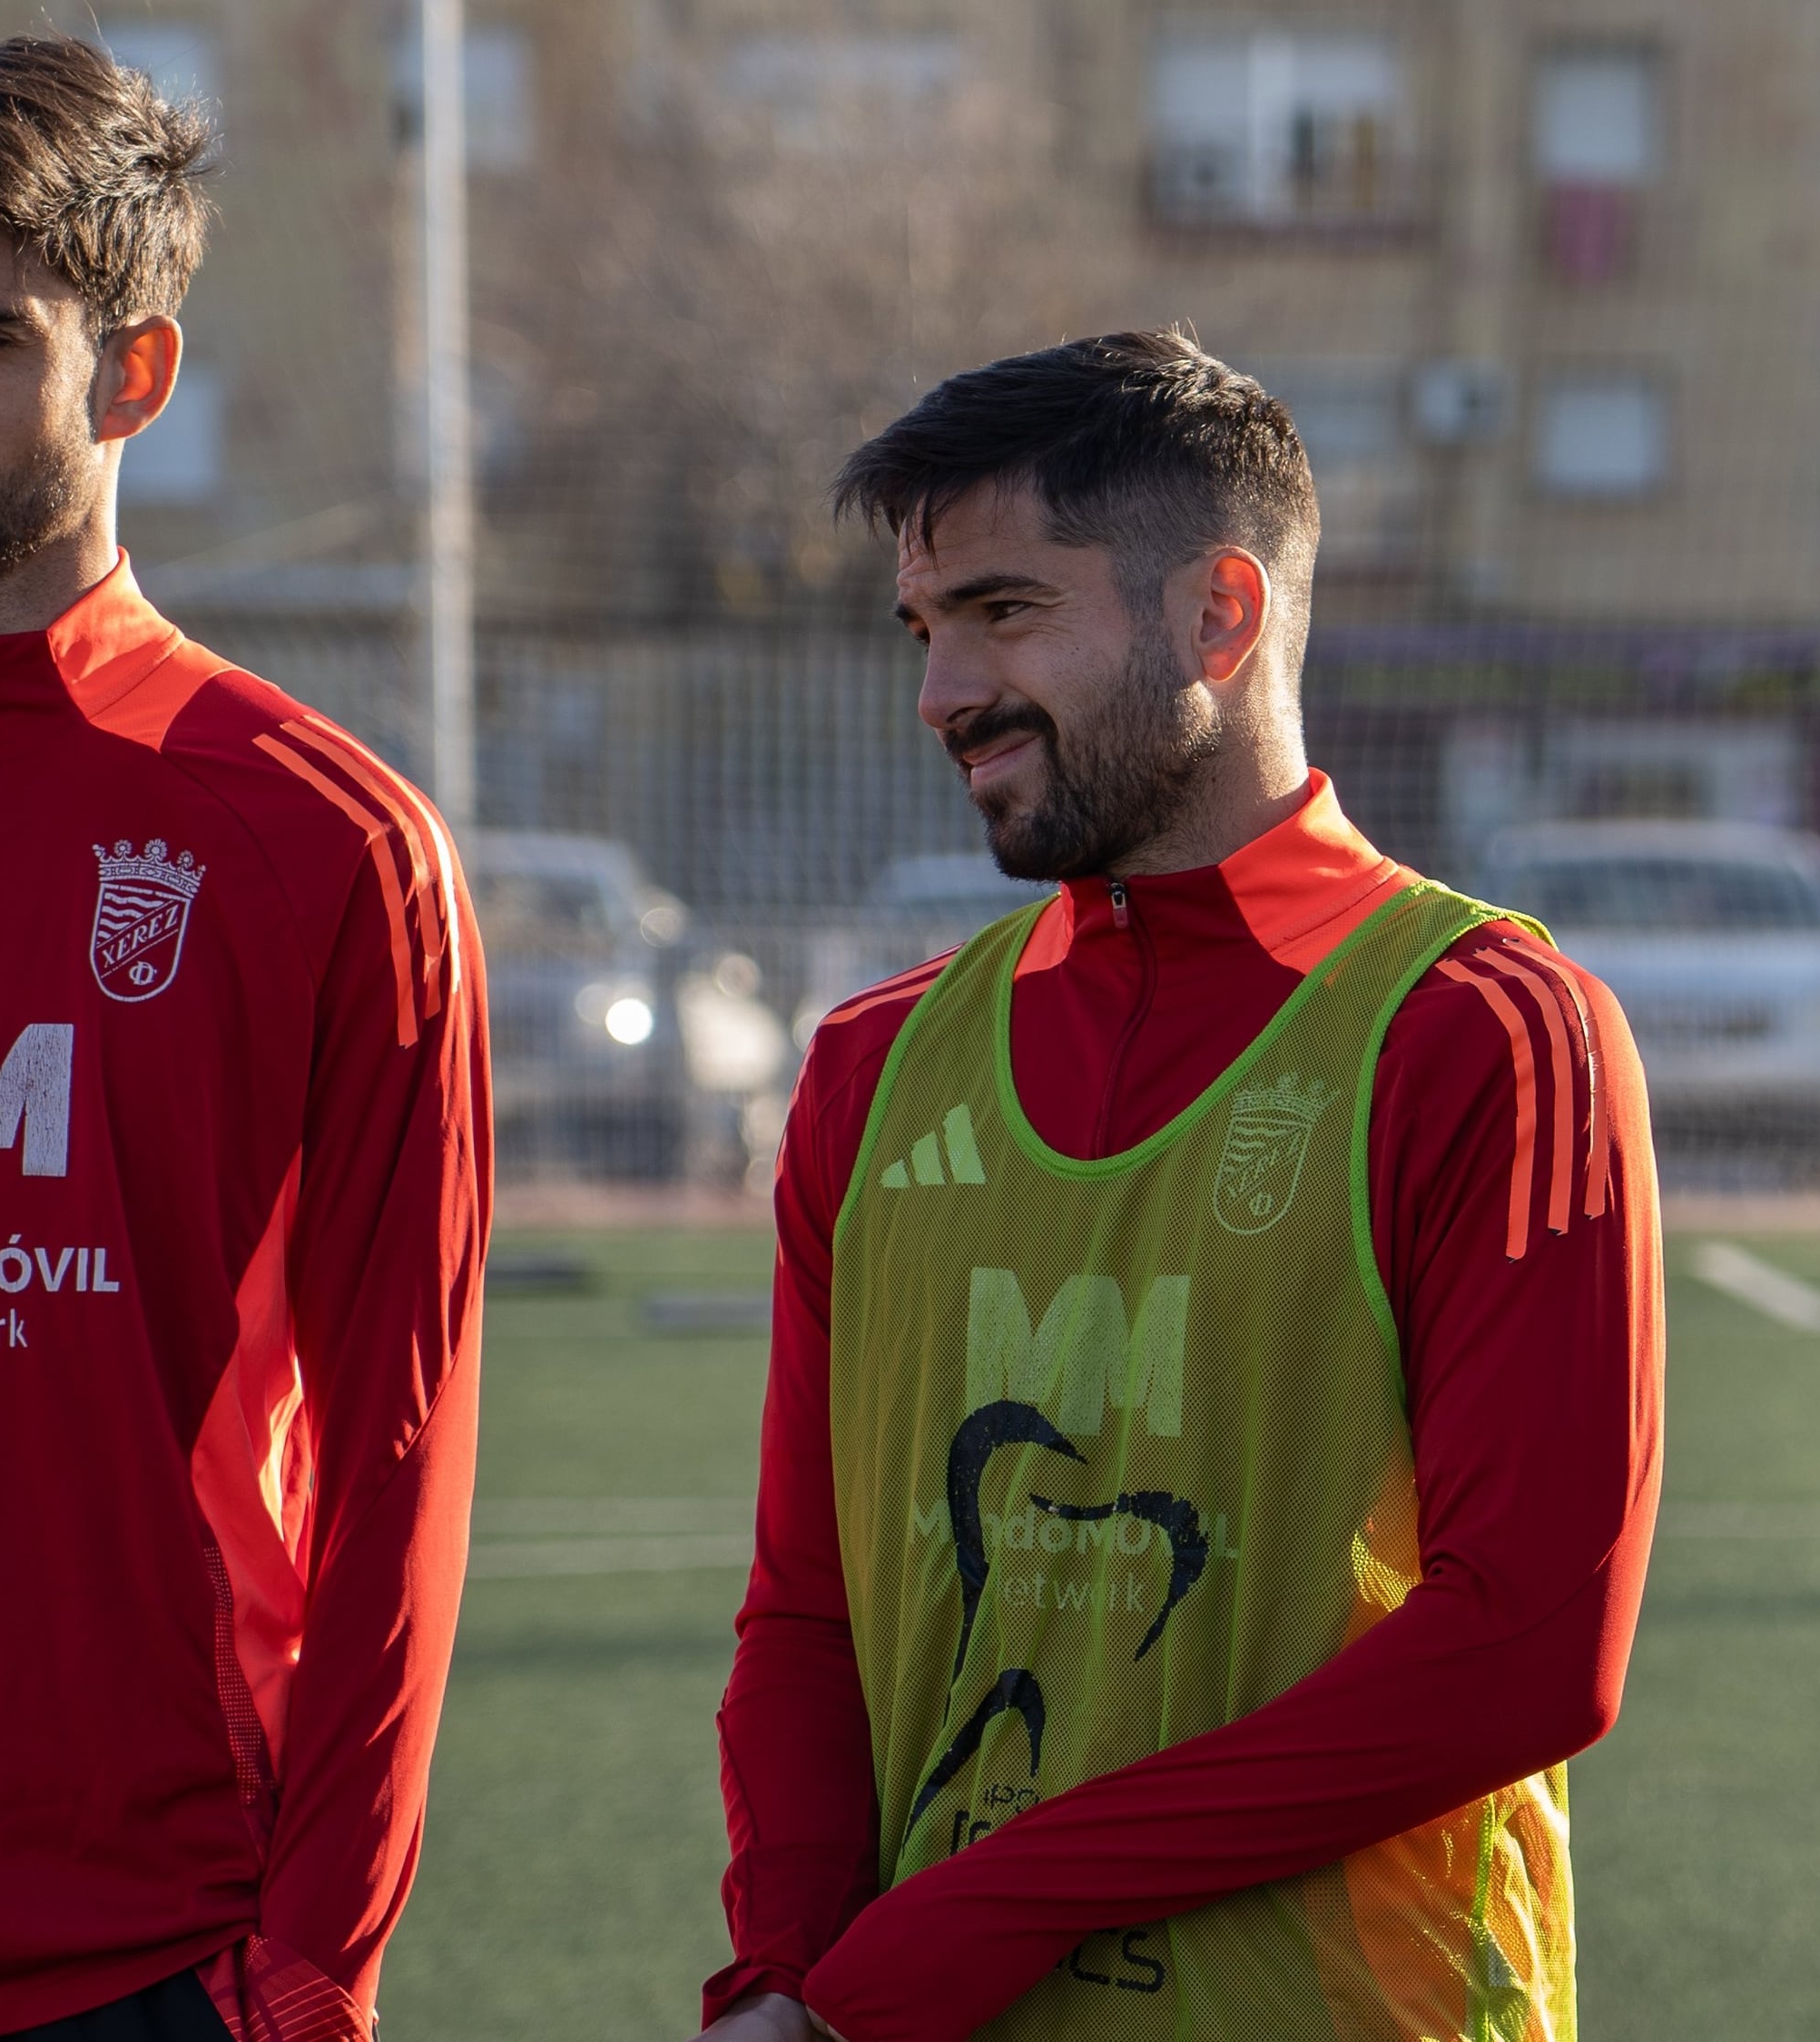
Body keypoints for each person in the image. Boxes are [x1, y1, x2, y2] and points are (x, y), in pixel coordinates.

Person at [695, 330, 1662, 2042]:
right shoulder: (875, 1068)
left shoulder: (1489, 1033)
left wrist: (965, 1924)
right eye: (926, 631)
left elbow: (1533, 1644)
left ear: (1220, 613)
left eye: (1005, 613)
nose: (942, 693)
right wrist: (783, 1973)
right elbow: (808, 1606)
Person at [0, 38, 486, 2042]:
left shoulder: (320, 842)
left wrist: (316, 1975)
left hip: (148, 1963)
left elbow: (399, 1474)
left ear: (136, 374)